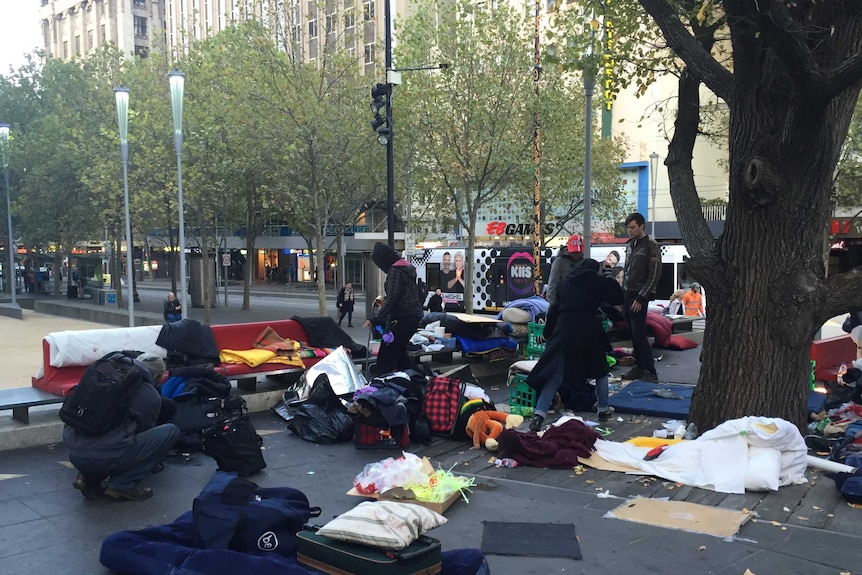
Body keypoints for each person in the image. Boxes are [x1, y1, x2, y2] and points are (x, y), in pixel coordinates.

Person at [64, 353, 180, 501]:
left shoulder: (102, 379)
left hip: (74, 453)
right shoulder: (150, 395)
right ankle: (123, 484)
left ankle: (87, 478)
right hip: (105, 457)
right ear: (157, 377)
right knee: (170, 431)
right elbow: (144, 433)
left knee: (103, 437)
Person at [526, 259, 624, 430]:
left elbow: (554, 310)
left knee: (555, 376)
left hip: (564, 331)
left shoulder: (564, 283)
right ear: (596, 270)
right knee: (600, 371)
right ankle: (603, 409)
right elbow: (618, 298)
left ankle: (538, 415)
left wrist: (548, 334)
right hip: (589, 329)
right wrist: (610, 280)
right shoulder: (598, 281)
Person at [364, 242, 421, 375]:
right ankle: (419, 377)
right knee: (399, 353)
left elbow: (393, 298)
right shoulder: (405, 269)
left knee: (386, 352)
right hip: (411, 316)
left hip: (403, 318)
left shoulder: (395, 271)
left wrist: (376, 318)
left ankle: (381, 380)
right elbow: (401, 294)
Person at [622, 212, 662, 382]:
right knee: (632, 333)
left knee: (639, 333)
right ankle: (639, 366)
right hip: (627, 294)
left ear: (641, 226)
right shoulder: (630, 245)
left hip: (639, 295)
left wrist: (641, 297)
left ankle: (650, 370)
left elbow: (654, 274)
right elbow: (626, 272)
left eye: (632, 227)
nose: (629, 231)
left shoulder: (651, 245)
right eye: (628, 228)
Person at [546, 234, 586, 304]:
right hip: (562, 302)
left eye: (578, 252)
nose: (576, 254)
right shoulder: (560, 261)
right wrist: (554, 304)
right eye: (574, 252)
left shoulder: (584, 262)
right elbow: (553, 283)